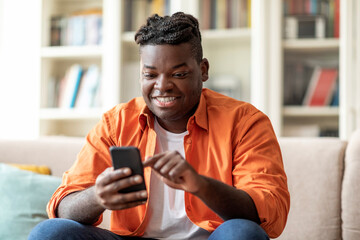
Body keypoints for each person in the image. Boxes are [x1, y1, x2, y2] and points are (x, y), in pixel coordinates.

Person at [29, 12, 290, 240]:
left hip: (213, 238)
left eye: (178, 74)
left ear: (203, 69)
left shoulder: (245, 122)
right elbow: (63, 207)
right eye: (150, 75)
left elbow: (268, 211)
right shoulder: (116, 123)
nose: (162, 85)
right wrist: (97, 196)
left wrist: (200, 185)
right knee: (49, 233)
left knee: (242, 233)